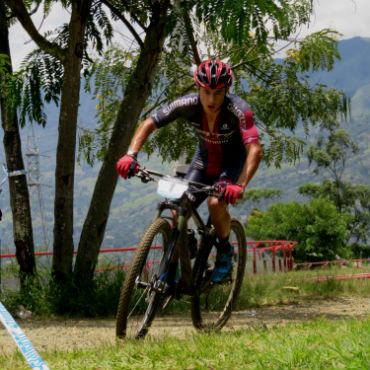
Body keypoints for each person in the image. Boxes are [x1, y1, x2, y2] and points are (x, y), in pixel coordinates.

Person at [117, 58, 263, 283]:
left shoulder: (239, 110)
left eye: (218, 92)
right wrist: (131, 154)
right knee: (178, 208)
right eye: (206, 92)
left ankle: (224, 251)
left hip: (231, 165)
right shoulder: (186, 104)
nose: (211, 99)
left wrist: (240, 184)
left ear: (227, 90)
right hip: (202, 163)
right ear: (197, 88)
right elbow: (149, 124)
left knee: (215, 204)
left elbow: (254, 150)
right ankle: (174, 265)